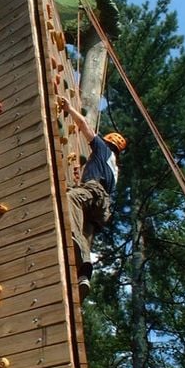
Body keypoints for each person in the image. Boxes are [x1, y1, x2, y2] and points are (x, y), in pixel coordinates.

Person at [59, 96, 127, 297]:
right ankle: (83, 276)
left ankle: (75, 245)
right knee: (86, 235)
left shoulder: (102, 147)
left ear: (108, 141)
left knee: (71, 198)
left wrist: (70, 108)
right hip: (103, 206)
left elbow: (83, 125)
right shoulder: (115, 168)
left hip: (94, 191)